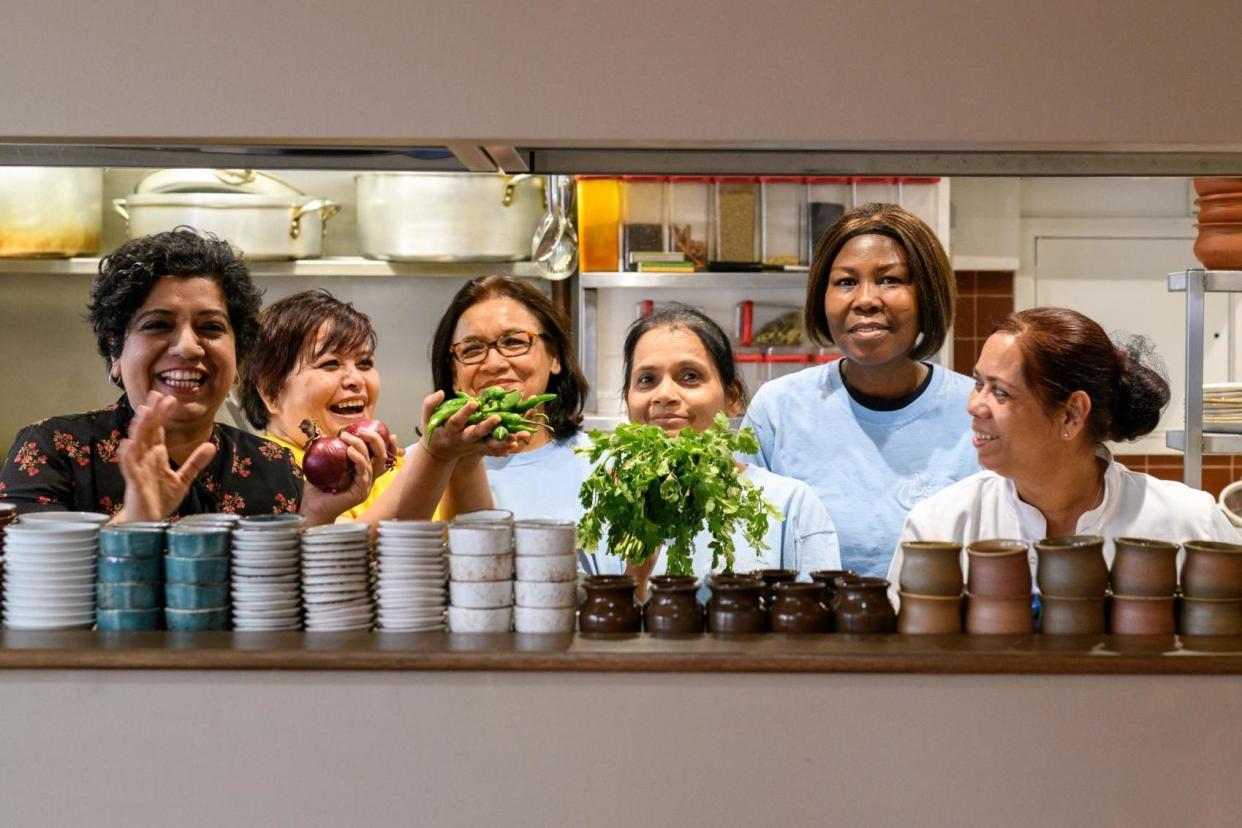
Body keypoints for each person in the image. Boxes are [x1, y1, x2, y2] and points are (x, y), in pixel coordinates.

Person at [0, 230, 380, 524]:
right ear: (115, 351)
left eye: (211, 327)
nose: (187, 346)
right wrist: (135, 518)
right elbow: (25, 589)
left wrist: (315, 517)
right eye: (158, 325)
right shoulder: (54, 450)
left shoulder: (273, 465)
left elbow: (280, 608)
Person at [889, 307, 1241, 589]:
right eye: (978, 384)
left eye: (1000, 392)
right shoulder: (941, 527)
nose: (974, 405)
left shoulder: (1187, 523)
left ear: (1072, 414)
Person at [740, 203, 978, 578]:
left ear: (928, 295)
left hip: (938, 632)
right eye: (846, 282)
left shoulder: (976, 412)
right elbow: (744, 546)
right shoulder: (779, 410)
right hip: (805, 629)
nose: (866, 299)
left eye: (890, 280)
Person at [601, 304, 841, 587]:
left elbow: (819, 623)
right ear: (627, 400)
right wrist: (638, 569)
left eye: (690, 376)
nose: (664, 395)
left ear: (733, 398)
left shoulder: (792, 506)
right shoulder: (605, 507)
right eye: (646, 380)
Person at [239, 289, 513, 524]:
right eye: (330, 364)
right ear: (271, 392)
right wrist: (436, 455)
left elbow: (469, 542)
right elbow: (349, 556)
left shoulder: (394, 465)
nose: (356, 380)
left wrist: (465, 458)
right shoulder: (264, 470)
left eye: (365, 363)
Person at [430, 275, 592, 523]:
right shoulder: (417, 470)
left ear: (555, 356)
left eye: (514, 342)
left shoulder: (602, 464)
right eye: (472, 349)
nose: (494, 364)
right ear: (454, 373)